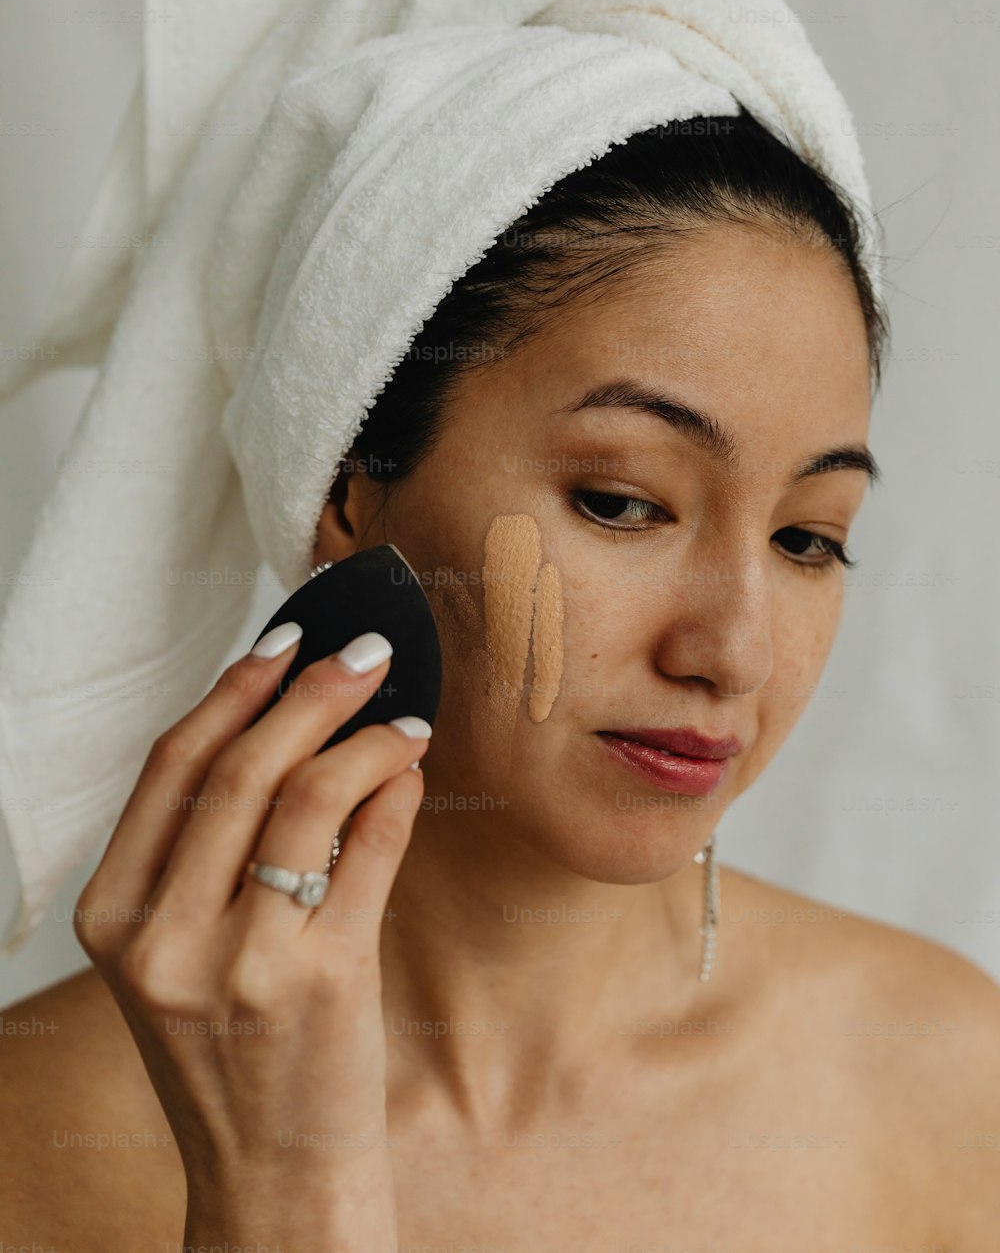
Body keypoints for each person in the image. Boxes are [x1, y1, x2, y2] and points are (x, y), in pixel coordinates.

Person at [1, 113, 997, 1251]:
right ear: (350, 485)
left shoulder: (948, 1080)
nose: (734, 653)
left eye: (807, 540)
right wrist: (278, 1195)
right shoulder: (31, 1143)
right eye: (623, 503)